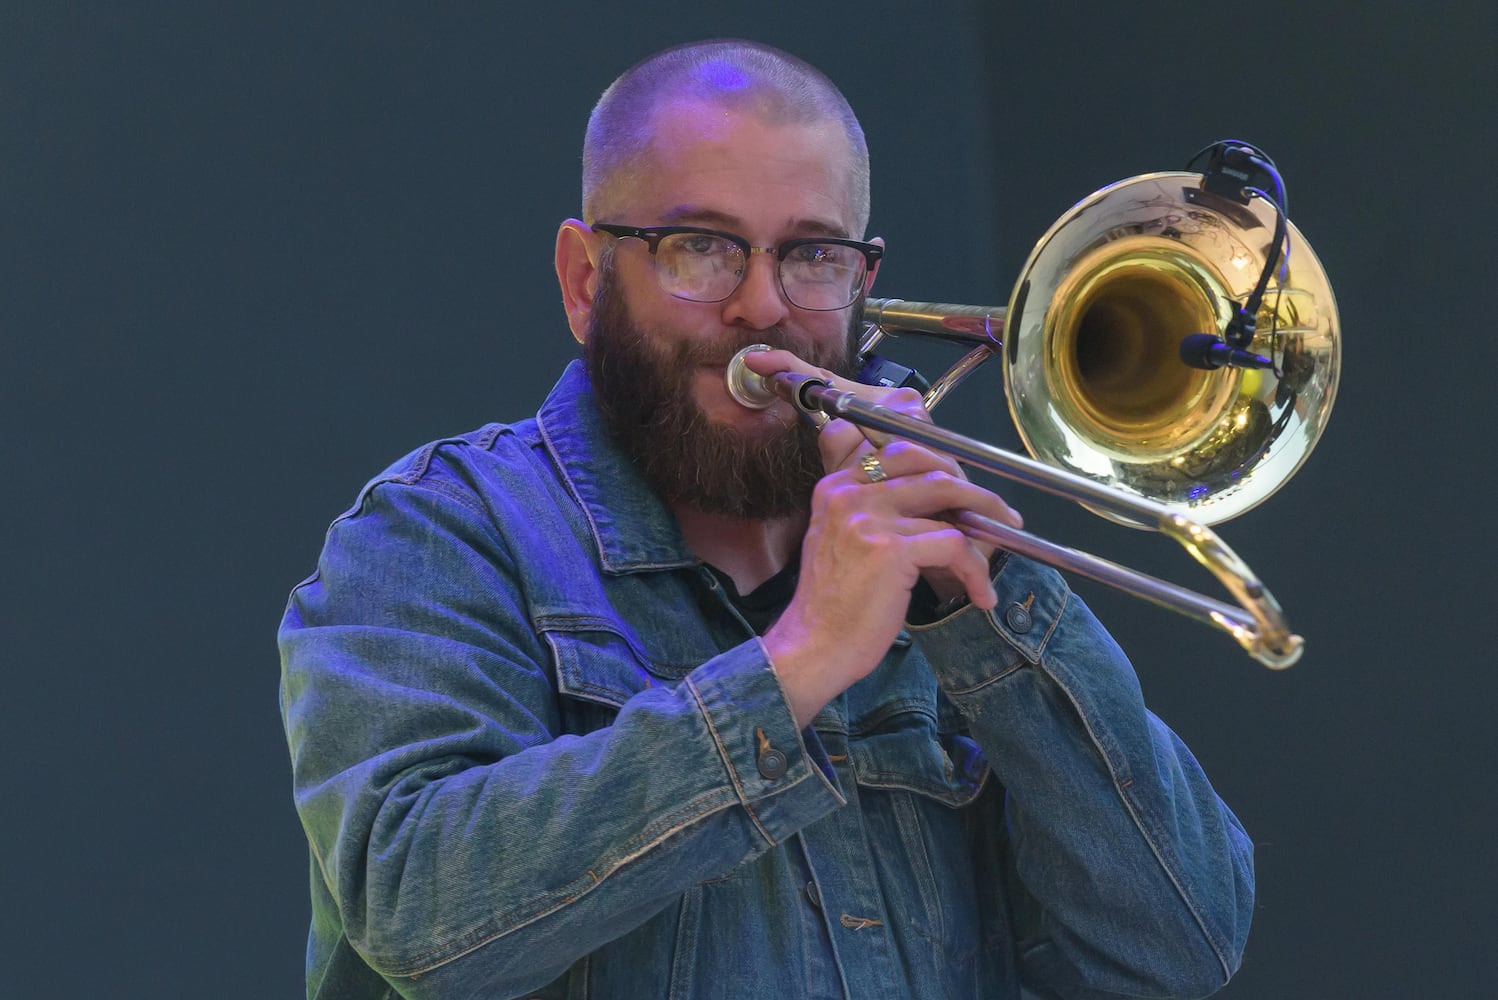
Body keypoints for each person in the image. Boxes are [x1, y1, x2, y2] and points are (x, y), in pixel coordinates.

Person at [279, 39, 1253, 1000]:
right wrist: (800, 659)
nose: (762, 304)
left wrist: (991, 615)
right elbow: (418, 921)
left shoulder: (933, 552)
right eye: (699, 247)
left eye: (811, 253)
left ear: (862, 278)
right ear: (585, 282)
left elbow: (1174, 952)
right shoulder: (440, 533)